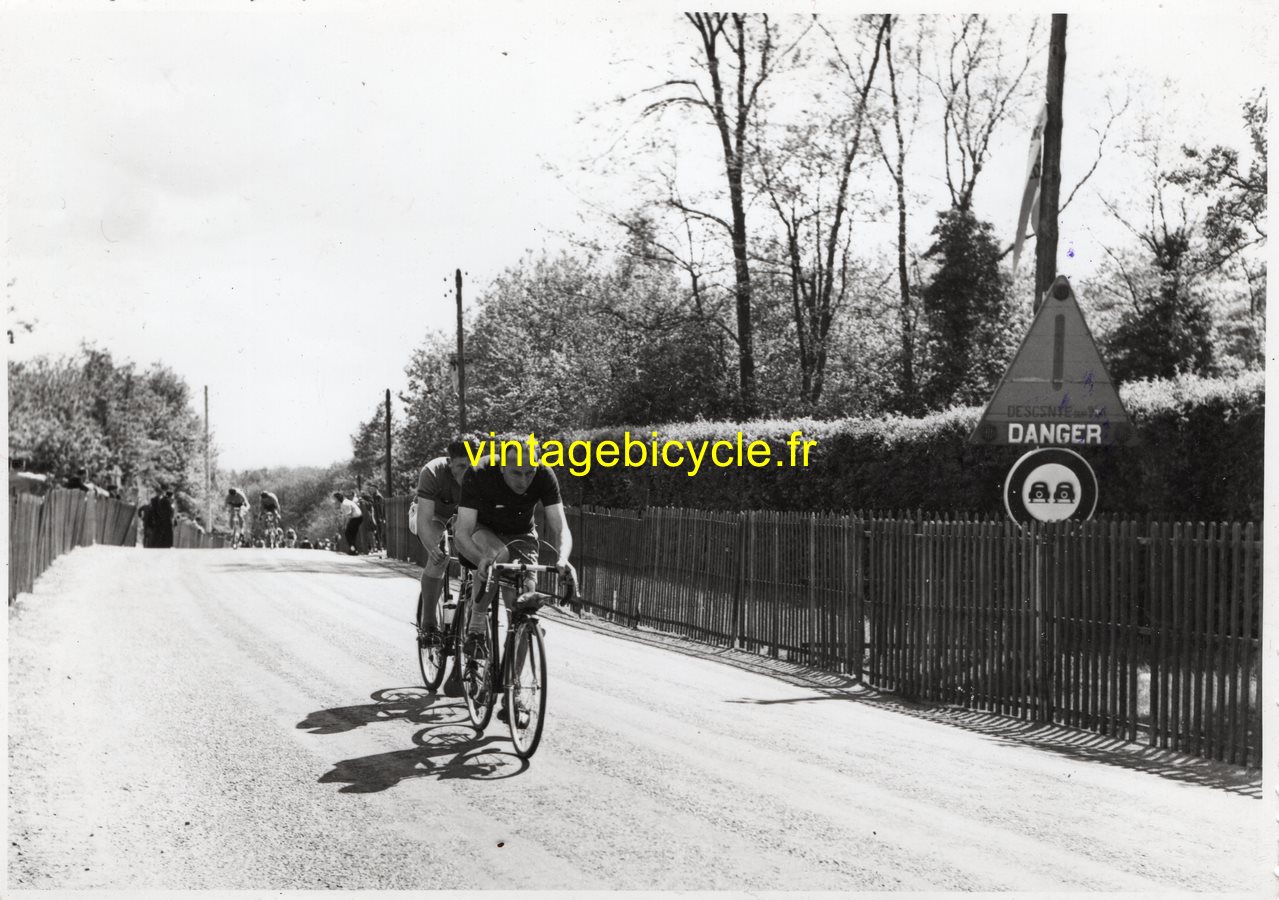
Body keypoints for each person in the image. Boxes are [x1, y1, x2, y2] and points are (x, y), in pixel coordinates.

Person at [454, 453, 576, 723]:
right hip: (482, 530)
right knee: (498, 557)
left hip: (522, 534)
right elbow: (462, 533)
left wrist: (563, 559)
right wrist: (479, 559)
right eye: (516, 473)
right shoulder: (480, 472)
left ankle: (513, 690)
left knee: (523, 604)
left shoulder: (543, 473)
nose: (524, 480)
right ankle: (476, 625)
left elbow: (561, 527)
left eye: (528, 473)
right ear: (502, 467)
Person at [414, 438, 476, 645]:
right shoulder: (432, 472)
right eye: (461, 466)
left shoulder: (482, 473)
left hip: (464, 517)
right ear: (450, 462)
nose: (467, 472)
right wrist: (433, 549)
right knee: (440, 556)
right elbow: (424, 520)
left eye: (471, 466)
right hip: (434, 516)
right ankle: (429, 623)